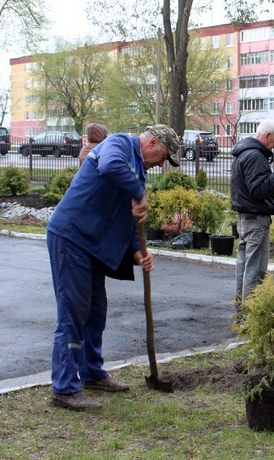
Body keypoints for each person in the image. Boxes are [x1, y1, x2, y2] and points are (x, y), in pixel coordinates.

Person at [46, 124, 181, 411]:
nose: (160, 165)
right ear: (153, 142)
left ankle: (92, 372)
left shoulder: (138, 172)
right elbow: (108, 166)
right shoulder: (119, 145)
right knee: (73, 313)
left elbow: (130, 219)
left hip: (92, 245)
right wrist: (138, 192)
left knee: (95, 311)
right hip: (71, 237)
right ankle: (65, 388)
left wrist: (136, 252)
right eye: (163, 157)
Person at [230, 119, 274, 313]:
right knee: (255, 271)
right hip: (256, 220)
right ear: (266, 136)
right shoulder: (255, 156)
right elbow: (258, 190)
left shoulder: (244, 153)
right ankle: (250, 316)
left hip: (245, 219)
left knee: (244, 268)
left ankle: (241, 313)